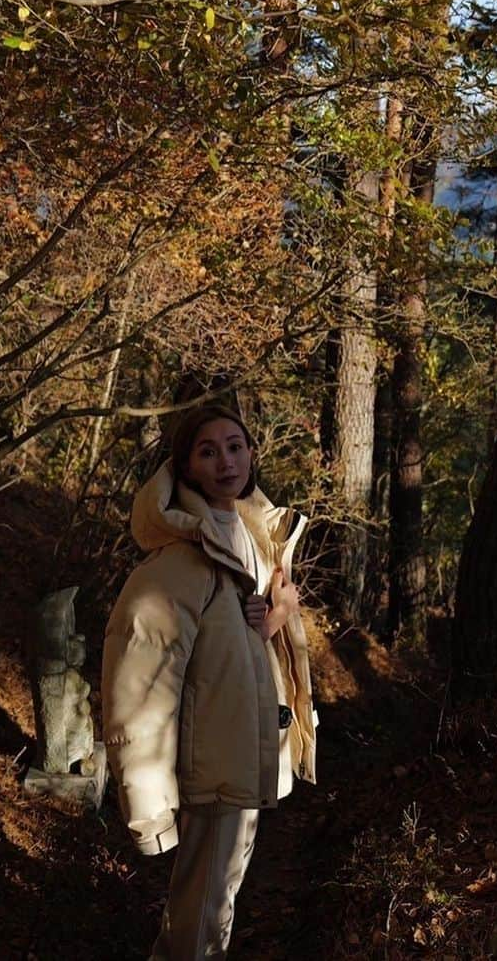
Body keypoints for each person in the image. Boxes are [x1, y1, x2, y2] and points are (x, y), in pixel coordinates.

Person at [102, 402, 317, 960]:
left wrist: (275, 618)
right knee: (198, 922)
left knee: (215, 908)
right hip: (213, 762)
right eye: (207, 451)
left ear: (251, 454)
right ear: (186, 469)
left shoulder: (247, 533)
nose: (226, 461)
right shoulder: (182, 558)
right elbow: (140, 678)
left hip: (241, 751)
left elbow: (232, 648)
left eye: (235, 446)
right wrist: (147, 803)